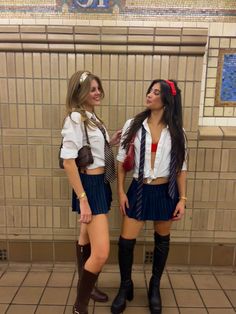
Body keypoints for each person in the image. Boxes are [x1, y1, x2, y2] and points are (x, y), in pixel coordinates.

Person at [111, 79, 187, 314]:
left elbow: (180, 169)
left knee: (161, 242)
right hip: (139, 189)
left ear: (167, 99)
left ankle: (154, 287)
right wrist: (122, 192)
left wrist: (182, 199)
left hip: (165, 192)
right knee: (126, 242)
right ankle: (126, 286)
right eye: (150, 91)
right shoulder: (133, 124)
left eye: (156, 92)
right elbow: (122, 163)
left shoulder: (177, 132)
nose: (149, 95)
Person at [60, 71, 121, 314]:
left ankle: (89, 284)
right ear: (79, 92)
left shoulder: (91, 117)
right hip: (90, 189)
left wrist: (112, 141)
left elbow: (94, 151)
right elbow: (68, 162)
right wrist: (83, 200)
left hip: (100, 184)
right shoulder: (75, 119)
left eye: (98, 88)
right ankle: (80, 305)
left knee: (85, 237)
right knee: (102, 252)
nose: (97, 92)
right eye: (91, 89)